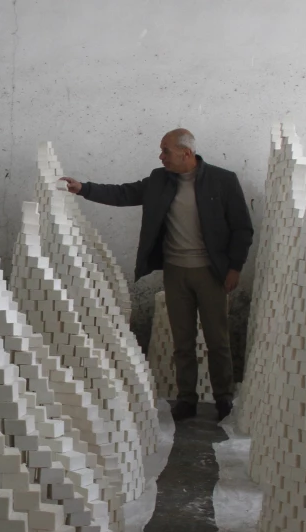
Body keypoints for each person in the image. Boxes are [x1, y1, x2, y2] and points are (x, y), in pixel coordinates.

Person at [61, 128, 253, 422]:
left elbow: (242, 228)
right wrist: (84, 188)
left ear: (186, 153)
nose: (161, 156)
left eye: (166, 151)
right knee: (182, 340)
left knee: (218, 340)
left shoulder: (223, 180)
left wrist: (234, 268)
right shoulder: (160, 180)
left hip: (212, 273)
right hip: (175, 272)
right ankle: (186, 399)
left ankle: (223, 399)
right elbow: (124, 193)